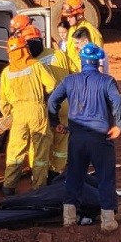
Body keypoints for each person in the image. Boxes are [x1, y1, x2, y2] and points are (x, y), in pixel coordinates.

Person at [48, 43, 121, 233]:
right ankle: (107, 221)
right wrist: (119, 125)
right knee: (106, 177)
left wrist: (54, 122)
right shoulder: (107, 81)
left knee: (74, 176)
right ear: (98, 61)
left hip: (76, 138)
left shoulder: (69, 80)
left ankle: (69, 219)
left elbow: (52, 101)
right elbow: (118, 101)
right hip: (100, 138)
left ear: (81, 61)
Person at [0, 34, 58, 194]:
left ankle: (9, 186)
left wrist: (8, 114)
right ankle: (39, 187)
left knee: (15, 151)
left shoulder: (6, 73)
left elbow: (3, 100)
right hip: (36, 110)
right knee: (40, 150)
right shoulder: (36, 65)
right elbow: (52, 85)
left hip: (17, 113)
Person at [29, 24, 72, 178]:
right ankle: (56, 172)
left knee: (42, 140)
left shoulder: (32, 63)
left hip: (46, 106)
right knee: (61, 141)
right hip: (65, 104)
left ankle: (39, 173)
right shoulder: (59, 54)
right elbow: (74, 72)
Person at [62, 0, 102, 71]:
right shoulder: (72, 29)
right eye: (67, 17)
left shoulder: (91, 31)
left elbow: (98, 58)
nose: (68, 19)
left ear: (79, 15)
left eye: (70, 17)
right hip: (73, 74)